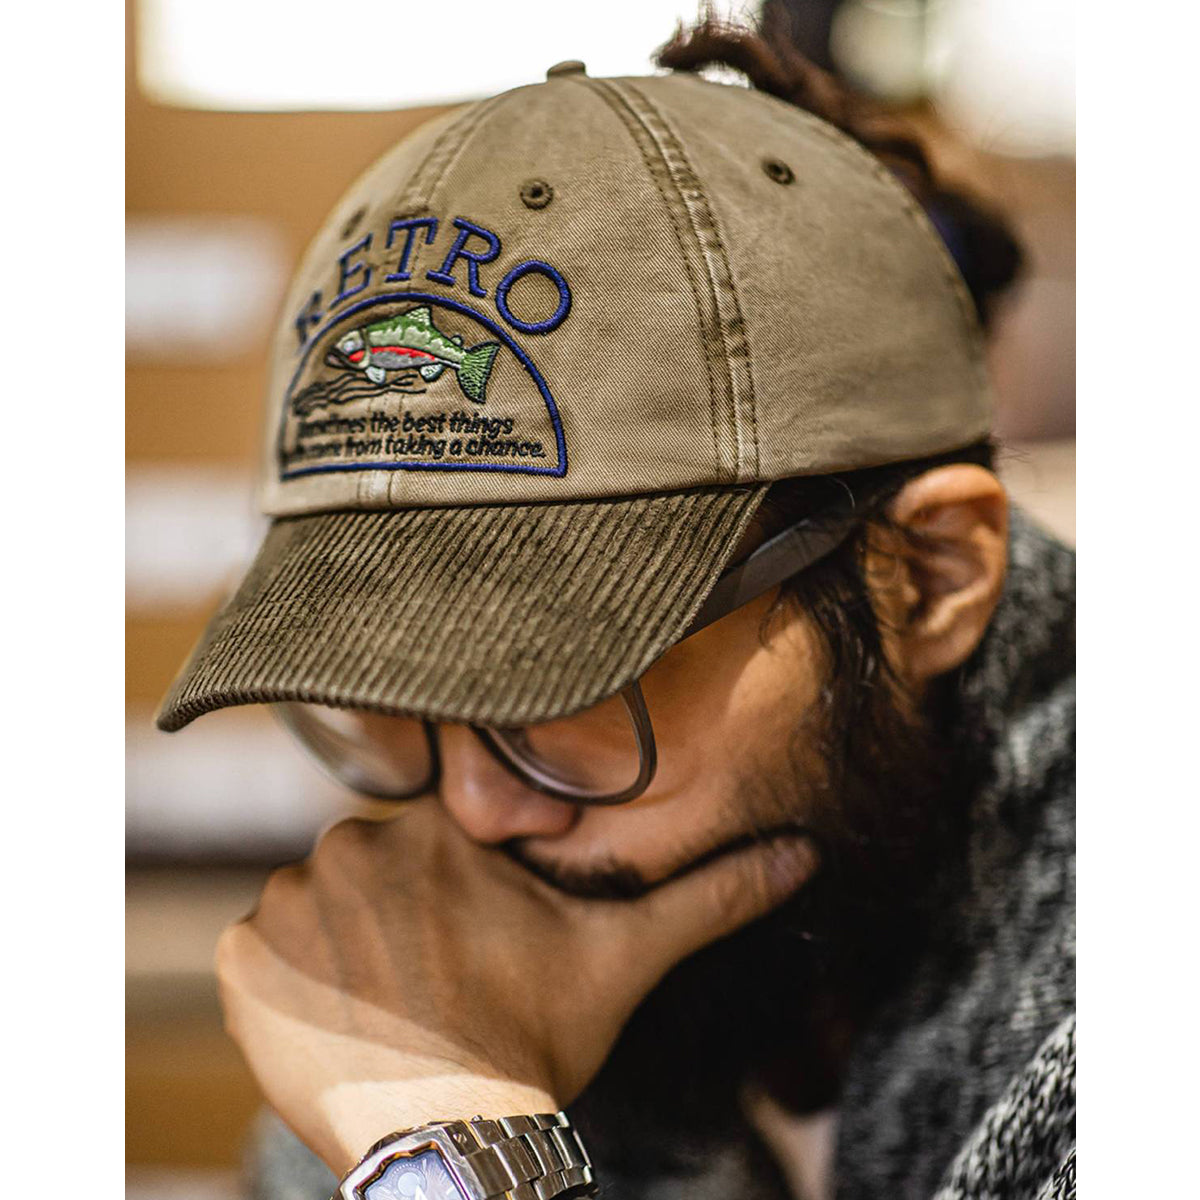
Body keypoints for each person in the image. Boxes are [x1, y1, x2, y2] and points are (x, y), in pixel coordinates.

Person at [157, 17, 1075, 1200]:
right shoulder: (521, 917)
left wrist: (449, 1156)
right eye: (386, 689)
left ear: (931, 576)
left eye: (569, 683)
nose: (472, 809)